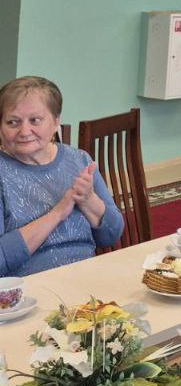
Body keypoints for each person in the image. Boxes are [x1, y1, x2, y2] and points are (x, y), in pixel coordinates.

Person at [0, 76, 124, 275]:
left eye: (35, 120)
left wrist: (90, 201)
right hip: (29, 285)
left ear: (56, 121)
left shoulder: (79, 160)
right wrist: (57, 213)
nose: (24, 131)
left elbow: (111, 235)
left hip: (86, 276)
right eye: (13, 122)